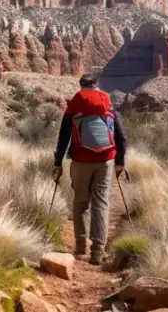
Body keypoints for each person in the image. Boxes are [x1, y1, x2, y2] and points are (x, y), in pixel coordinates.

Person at [53, 73, 127, 265]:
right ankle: (97, 252)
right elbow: (121, 137)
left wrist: (57, 162)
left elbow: (63, 138)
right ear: (97, 85)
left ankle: (80, 247)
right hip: (105, 161)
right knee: (101, 203)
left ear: (81, 85)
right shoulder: (108, 105)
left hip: (80, 161)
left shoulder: (74, 107)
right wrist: (120, 162)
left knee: (80, 202)